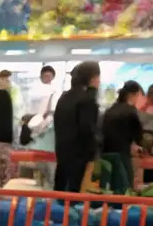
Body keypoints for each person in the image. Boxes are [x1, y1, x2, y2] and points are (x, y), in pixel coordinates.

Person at [53, 60, 100, 193]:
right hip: (79, 156)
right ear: (92, 79)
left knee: (60, 192)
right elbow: (87, 129)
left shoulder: (64, 97)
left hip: (62, 152)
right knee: (75, 196)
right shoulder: (87, 100)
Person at [101, 80, 144, 192]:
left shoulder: (111, 109)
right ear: (133, 95)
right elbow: (138, 135)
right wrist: (139, 146)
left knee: (109, 186)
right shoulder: (130, 111)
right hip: (121, 153)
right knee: (125, 186)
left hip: (105, 152)